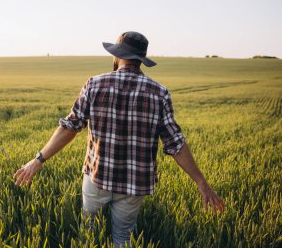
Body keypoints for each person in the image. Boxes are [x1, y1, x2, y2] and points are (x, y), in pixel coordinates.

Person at [13, 31, 225, 247]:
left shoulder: (95, 84)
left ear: (117, 56)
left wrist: (37, 160)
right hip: (134, 185)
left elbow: (70, 127)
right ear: (141, 60)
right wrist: (202, 182)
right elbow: (175, 143)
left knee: (90, 233)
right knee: (124, 237)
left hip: (97, 178)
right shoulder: (159, 93)